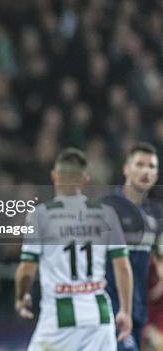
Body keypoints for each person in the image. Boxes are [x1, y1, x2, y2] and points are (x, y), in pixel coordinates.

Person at [15, 147, 133, 351]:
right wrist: (125, 311)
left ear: (54, 175)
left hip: (59, 319)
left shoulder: (41, 216)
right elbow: (122, 267)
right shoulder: (106, 214)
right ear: (85, 179)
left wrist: (21, 297)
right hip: (99, 317)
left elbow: (27, 268)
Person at [102, 142, 162, 351]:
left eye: (152, 166)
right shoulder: (107, 206)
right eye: (140, 164)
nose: (146, 171)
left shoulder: (157, 214)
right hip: (109, 307)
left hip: (140, 309)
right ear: (126, 168)